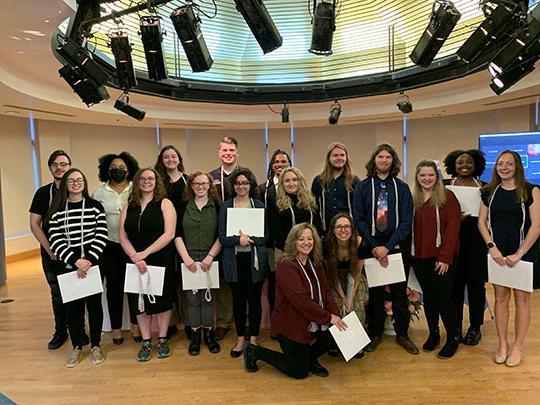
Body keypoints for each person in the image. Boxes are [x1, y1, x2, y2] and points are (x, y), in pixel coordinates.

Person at [243, 223, 347, 379]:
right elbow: (301, 301)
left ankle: (309, 358)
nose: (306, 242)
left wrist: (335, 315)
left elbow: (326, 292)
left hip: (313, 320)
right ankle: (254, 351)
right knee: (299, 372)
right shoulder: (286, 266)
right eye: (301, 239)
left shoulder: (317, 263)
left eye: (310, 238)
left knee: (337, 331)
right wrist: (328, 317)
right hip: (290, 325)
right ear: (293, 242)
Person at [352, 143, 418, 354]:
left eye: (388, 157)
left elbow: (407, 221)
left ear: (394, 161)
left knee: (399, 292)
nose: (383, 160)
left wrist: (387, 247)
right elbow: (359, 218)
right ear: (374, 160)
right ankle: (376, 333)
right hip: (370, 245)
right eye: (380, 157)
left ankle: (402, 334)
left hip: (396, 245)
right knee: (375, 293)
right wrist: (374, 246)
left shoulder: (402, 188)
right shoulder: (363, 187)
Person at [478, 150, 540, 367]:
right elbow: (482, 223)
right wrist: (492, 247)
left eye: (509, 164)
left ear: (517, 166)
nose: (504, 167)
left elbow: (537, 226)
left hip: (524, 252)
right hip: (498, 254)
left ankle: (518, 347)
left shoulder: (531, 190)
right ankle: (503, 344)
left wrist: (520, 253)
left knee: (522, 300)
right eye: (500, 163)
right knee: (501, 298)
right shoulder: (488, 192)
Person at [46, 168, 109, 367]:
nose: (76, 183)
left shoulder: (95, 206)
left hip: (92, 266)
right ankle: (76, 347)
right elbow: (55, 241)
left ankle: (96, 346)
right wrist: (76, 261)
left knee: (94, 306)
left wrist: (88, 260)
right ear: (65, 184)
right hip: (68, 267)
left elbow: (101, 235)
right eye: (72, 180)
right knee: (72, 309)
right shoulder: (57, 212)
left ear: (84, 183)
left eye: (79, 180)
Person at [119, 168, 176, 362]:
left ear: (156, 181)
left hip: (160, 257)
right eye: (143, 179)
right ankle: (145, 340)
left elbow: (169, 234)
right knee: (138, 300)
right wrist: (135, 256)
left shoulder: (165, 203)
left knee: (161, 300)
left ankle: (161, 338)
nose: (147, 181)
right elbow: (122, 236)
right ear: (137, 182)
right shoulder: (129, 206)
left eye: (151, 178)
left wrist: (146, 253)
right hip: (135, 260)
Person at [411, 160, 461, 359]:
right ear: (417, 177)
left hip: (442, 257)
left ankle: (453, 338)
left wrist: (445, 257)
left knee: (443, 297)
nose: (426, 178)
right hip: (419, 256)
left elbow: (452, 228)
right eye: (422, 175)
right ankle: (434, 334)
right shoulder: (413, 197)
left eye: (430, 175)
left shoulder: (448, 196)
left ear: (437, 176)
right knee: (429, 297)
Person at [219, 168, 269, 357]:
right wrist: (237, 240)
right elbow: (222, 238)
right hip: (234, 261)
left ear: (251, 185)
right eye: (238, 183)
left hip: (254, 261)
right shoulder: (226, 206)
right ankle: (240, 339)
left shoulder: (259, 206)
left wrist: (250, 239)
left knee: (255, 301)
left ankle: (254, 339)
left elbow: (266, 236)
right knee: (238, 301)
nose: (241, 186)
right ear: (233, 186)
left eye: (245, 183)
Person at [92, 152, 140, 344]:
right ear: (106, 170)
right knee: (114, 288)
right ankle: (116, 328)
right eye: (113, 167)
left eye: (122, 167)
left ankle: (136, 327)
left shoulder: (136, 189)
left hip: (134, 246)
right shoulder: (99, 193)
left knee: (135, 287)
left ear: (129, 170)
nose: (117, 170)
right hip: (109, 246)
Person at [29, 150, 73, 350]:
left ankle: (78, 329)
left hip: (74, 252)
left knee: (76, 291)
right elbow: (34, 223)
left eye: (63, 164)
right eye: (55, 164)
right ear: (49, 168)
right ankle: (60, 331)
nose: (59, 168)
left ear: (69, 167)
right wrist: (49, 249)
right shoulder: (42, 193)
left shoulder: (76, 190)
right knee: (57, 292)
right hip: (52, 253)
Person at [175, 171, 222, 356]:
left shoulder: (217, 206)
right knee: (192, 300)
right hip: (188, 258)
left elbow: (221, 234)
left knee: (208, 298)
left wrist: (210, 256)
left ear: (210, 185)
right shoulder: (183, 206)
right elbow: (176, 233)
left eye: (204, 184)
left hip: (211, 258)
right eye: (196, 184)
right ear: (191, 186)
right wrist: (186, 258)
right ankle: (195, 335)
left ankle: (209, 335)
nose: (200, 187)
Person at [443, 149, 487, 346]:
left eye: (469, 162)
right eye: (460, 162)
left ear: (476, 164)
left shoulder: (486, 188)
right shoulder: (444, 187)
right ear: (453, 165)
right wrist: (454, 219)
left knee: (476, 287)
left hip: (477, 243)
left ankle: (475, 328)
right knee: (455, 287)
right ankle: (455, 328)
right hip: (453, 242)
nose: (465, 165)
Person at [154, 145, 188, 339]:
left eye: (173, 156)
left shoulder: (187, 179)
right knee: (168, 279)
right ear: (162, 160)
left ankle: (187, 320)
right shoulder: (158, 181)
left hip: (183, 233)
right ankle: (172, 322)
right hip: (164, 234)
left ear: (179, 158)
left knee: (184, 279)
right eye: (166, 157)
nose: (170, 159)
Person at [323, 213, 368, 358]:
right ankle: (334, 342)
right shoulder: (327, 244)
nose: (343, 230)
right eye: (339, 227)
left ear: (352, 229)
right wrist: (343, 297)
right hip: (334, 279)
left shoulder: (360, 243)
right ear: (333, 230)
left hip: (353, 278)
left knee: (357, 305)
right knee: (335, 305)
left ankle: (356, 343)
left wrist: (351, 298)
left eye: (347, 226)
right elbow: (332, 275)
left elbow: (357, 273)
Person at [210, 136, 240, 340]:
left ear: (237, 153)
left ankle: (243, 321)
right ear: (219, 153)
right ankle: (223, 321)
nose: (228, 153)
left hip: (242, 234)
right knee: (222, 280)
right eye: (224, 150)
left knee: (242, 279)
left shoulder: (246, 175)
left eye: (231, 150)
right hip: (220, 235)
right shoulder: (211, 176)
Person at [256, 149, 291, 313]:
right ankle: (276, 321)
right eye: (276, 162)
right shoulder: (262, 189)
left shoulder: (295, 187)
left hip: (293, 244)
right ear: (271, 165)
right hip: (271, 246)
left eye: (283, 161)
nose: (280, 165)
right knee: (274, 282)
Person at [269, 167, 322, 254]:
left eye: (294, 180)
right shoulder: (276, 203)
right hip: (286, 251)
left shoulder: (310, 201)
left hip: (310, 249)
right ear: (282, 184)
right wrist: (292, 248)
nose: (291, 183)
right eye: (287, 181)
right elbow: (276, 231)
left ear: (300, 182)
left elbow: (317, 226)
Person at [311, 142, 361, 233]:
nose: (339, 158)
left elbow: (360, 209)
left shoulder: (354, 181)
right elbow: (315, 208)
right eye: (335, 155)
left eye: (342, 155)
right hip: (326, 232)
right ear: (329, 159)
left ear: (346, 158)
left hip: (349, 232)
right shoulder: (318, 181)